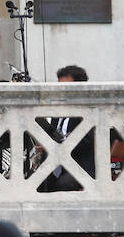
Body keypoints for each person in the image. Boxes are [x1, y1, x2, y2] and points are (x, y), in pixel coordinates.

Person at [37, 64, 93, 192]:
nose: (61, 90)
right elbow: (56, 134)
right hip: (56, 164)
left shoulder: (88, 109)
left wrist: (64, 143)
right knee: (35, 183)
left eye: (66, 87)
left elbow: (88, 140)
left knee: (62, 185)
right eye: (59, 86)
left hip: (79, 165)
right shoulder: (59, 109)